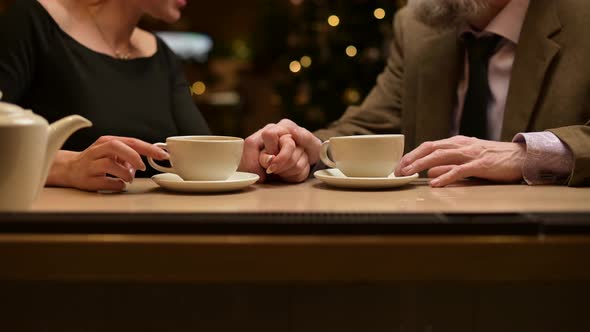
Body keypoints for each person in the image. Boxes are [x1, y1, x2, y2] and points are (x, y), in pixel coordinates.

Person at [240, 0, 590, 187]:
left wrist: (524, 155)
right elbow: (370, 127)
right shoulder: (420, 23)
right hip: (429, 243)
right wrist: (304, 149)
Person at [0, 0, 210, 191]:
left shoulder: (162, 54)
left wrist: (240, 162)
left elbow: (204, 153)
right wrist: (66, 167)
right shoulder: (32, 20)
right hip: (60, 224)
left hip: (154, 221)